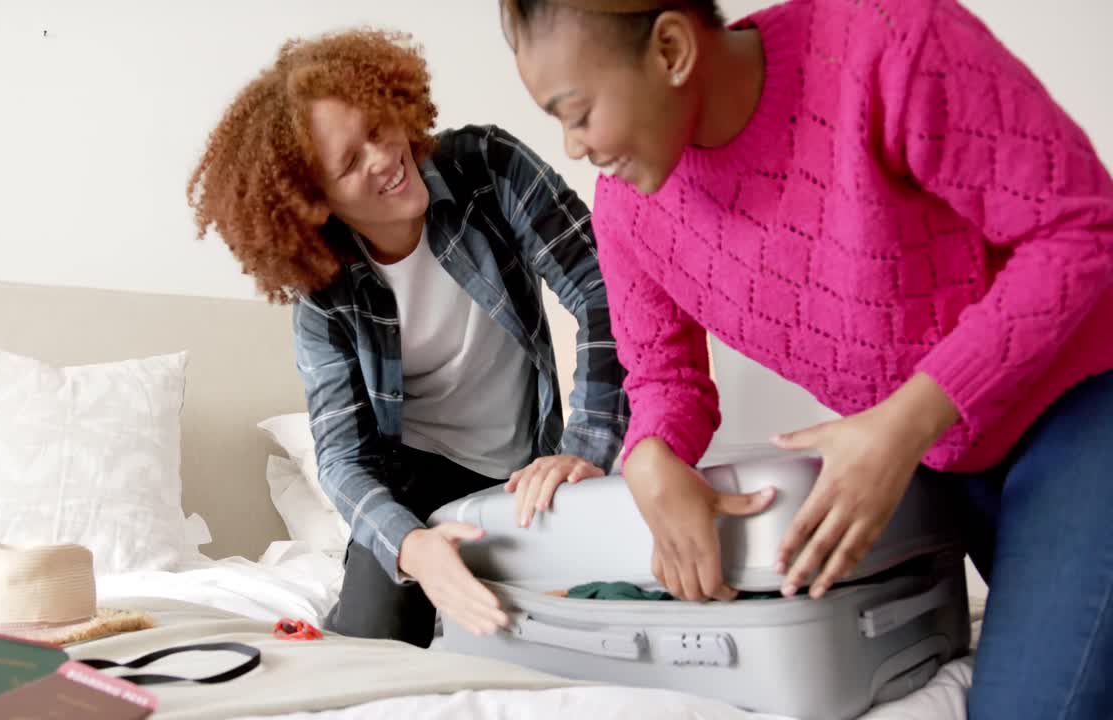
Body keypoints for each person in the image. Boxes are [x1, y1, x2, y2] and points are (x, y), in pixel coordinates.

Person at [502, 0, 1113, 717]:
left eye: (577, 113)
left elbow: (1082, 230)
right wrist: (650, 456)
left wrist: (903, 424)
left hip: (1078, 404)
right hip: (946, 464)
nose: (574, 148)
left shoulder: (888, 41)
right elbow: (665, 378)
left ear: (670, 49)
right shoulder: (626, 210)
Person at [187, 29, 628, 648]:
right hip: (412, 483)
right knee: (373, 648)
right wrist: (412, 548)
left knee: (580, 624)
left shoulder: (487, 167)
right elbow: (343, 459)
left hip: (528, 466)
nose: (383, 157)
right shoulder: (325, 300)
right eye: (349, 161)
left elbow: (605, 286)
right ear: (317, 205)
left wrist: (586, 445)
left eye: (376, 127)